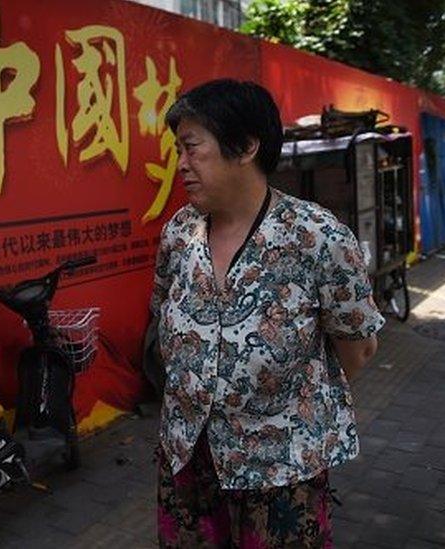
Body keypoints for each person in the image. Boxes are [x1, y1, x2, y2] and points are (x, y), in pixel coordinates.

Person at [150, 78, 384, 547]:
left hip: (282, 469)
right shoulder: (180, 231)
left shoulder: (317, 237)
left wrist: (277, 408)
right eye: (179, 149)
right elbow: (161, 314)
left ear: (246, 147)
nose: (182, 165)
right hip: (187, 456)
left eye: (193, 148)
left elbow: (357, 349)